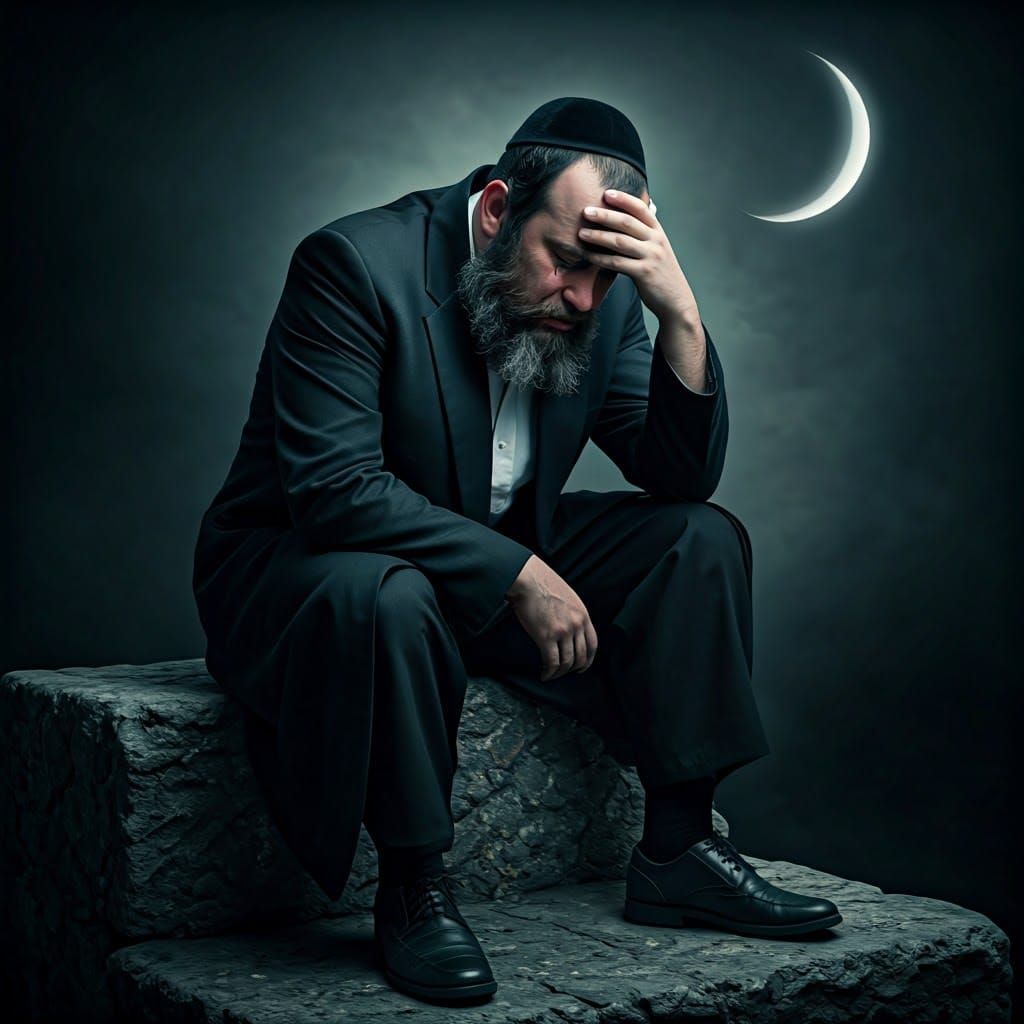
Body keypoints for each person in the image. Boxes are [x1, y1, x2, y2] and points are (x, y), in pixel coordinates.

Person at [192, 96, 842, 1006]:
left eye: (607, 276)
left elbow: (679, 475)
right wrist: (519, 574)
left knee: (695, 539)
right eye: (566, 262)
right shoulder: (353, 264)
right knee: (390, 594)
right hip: (307, 573)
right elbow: (334, 489)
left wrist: (682, 319)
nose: (583, 298)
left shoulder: (602, 297)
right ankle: (413, 888)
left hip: (472, 560)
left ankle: (680, 851)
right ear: (498, 210)